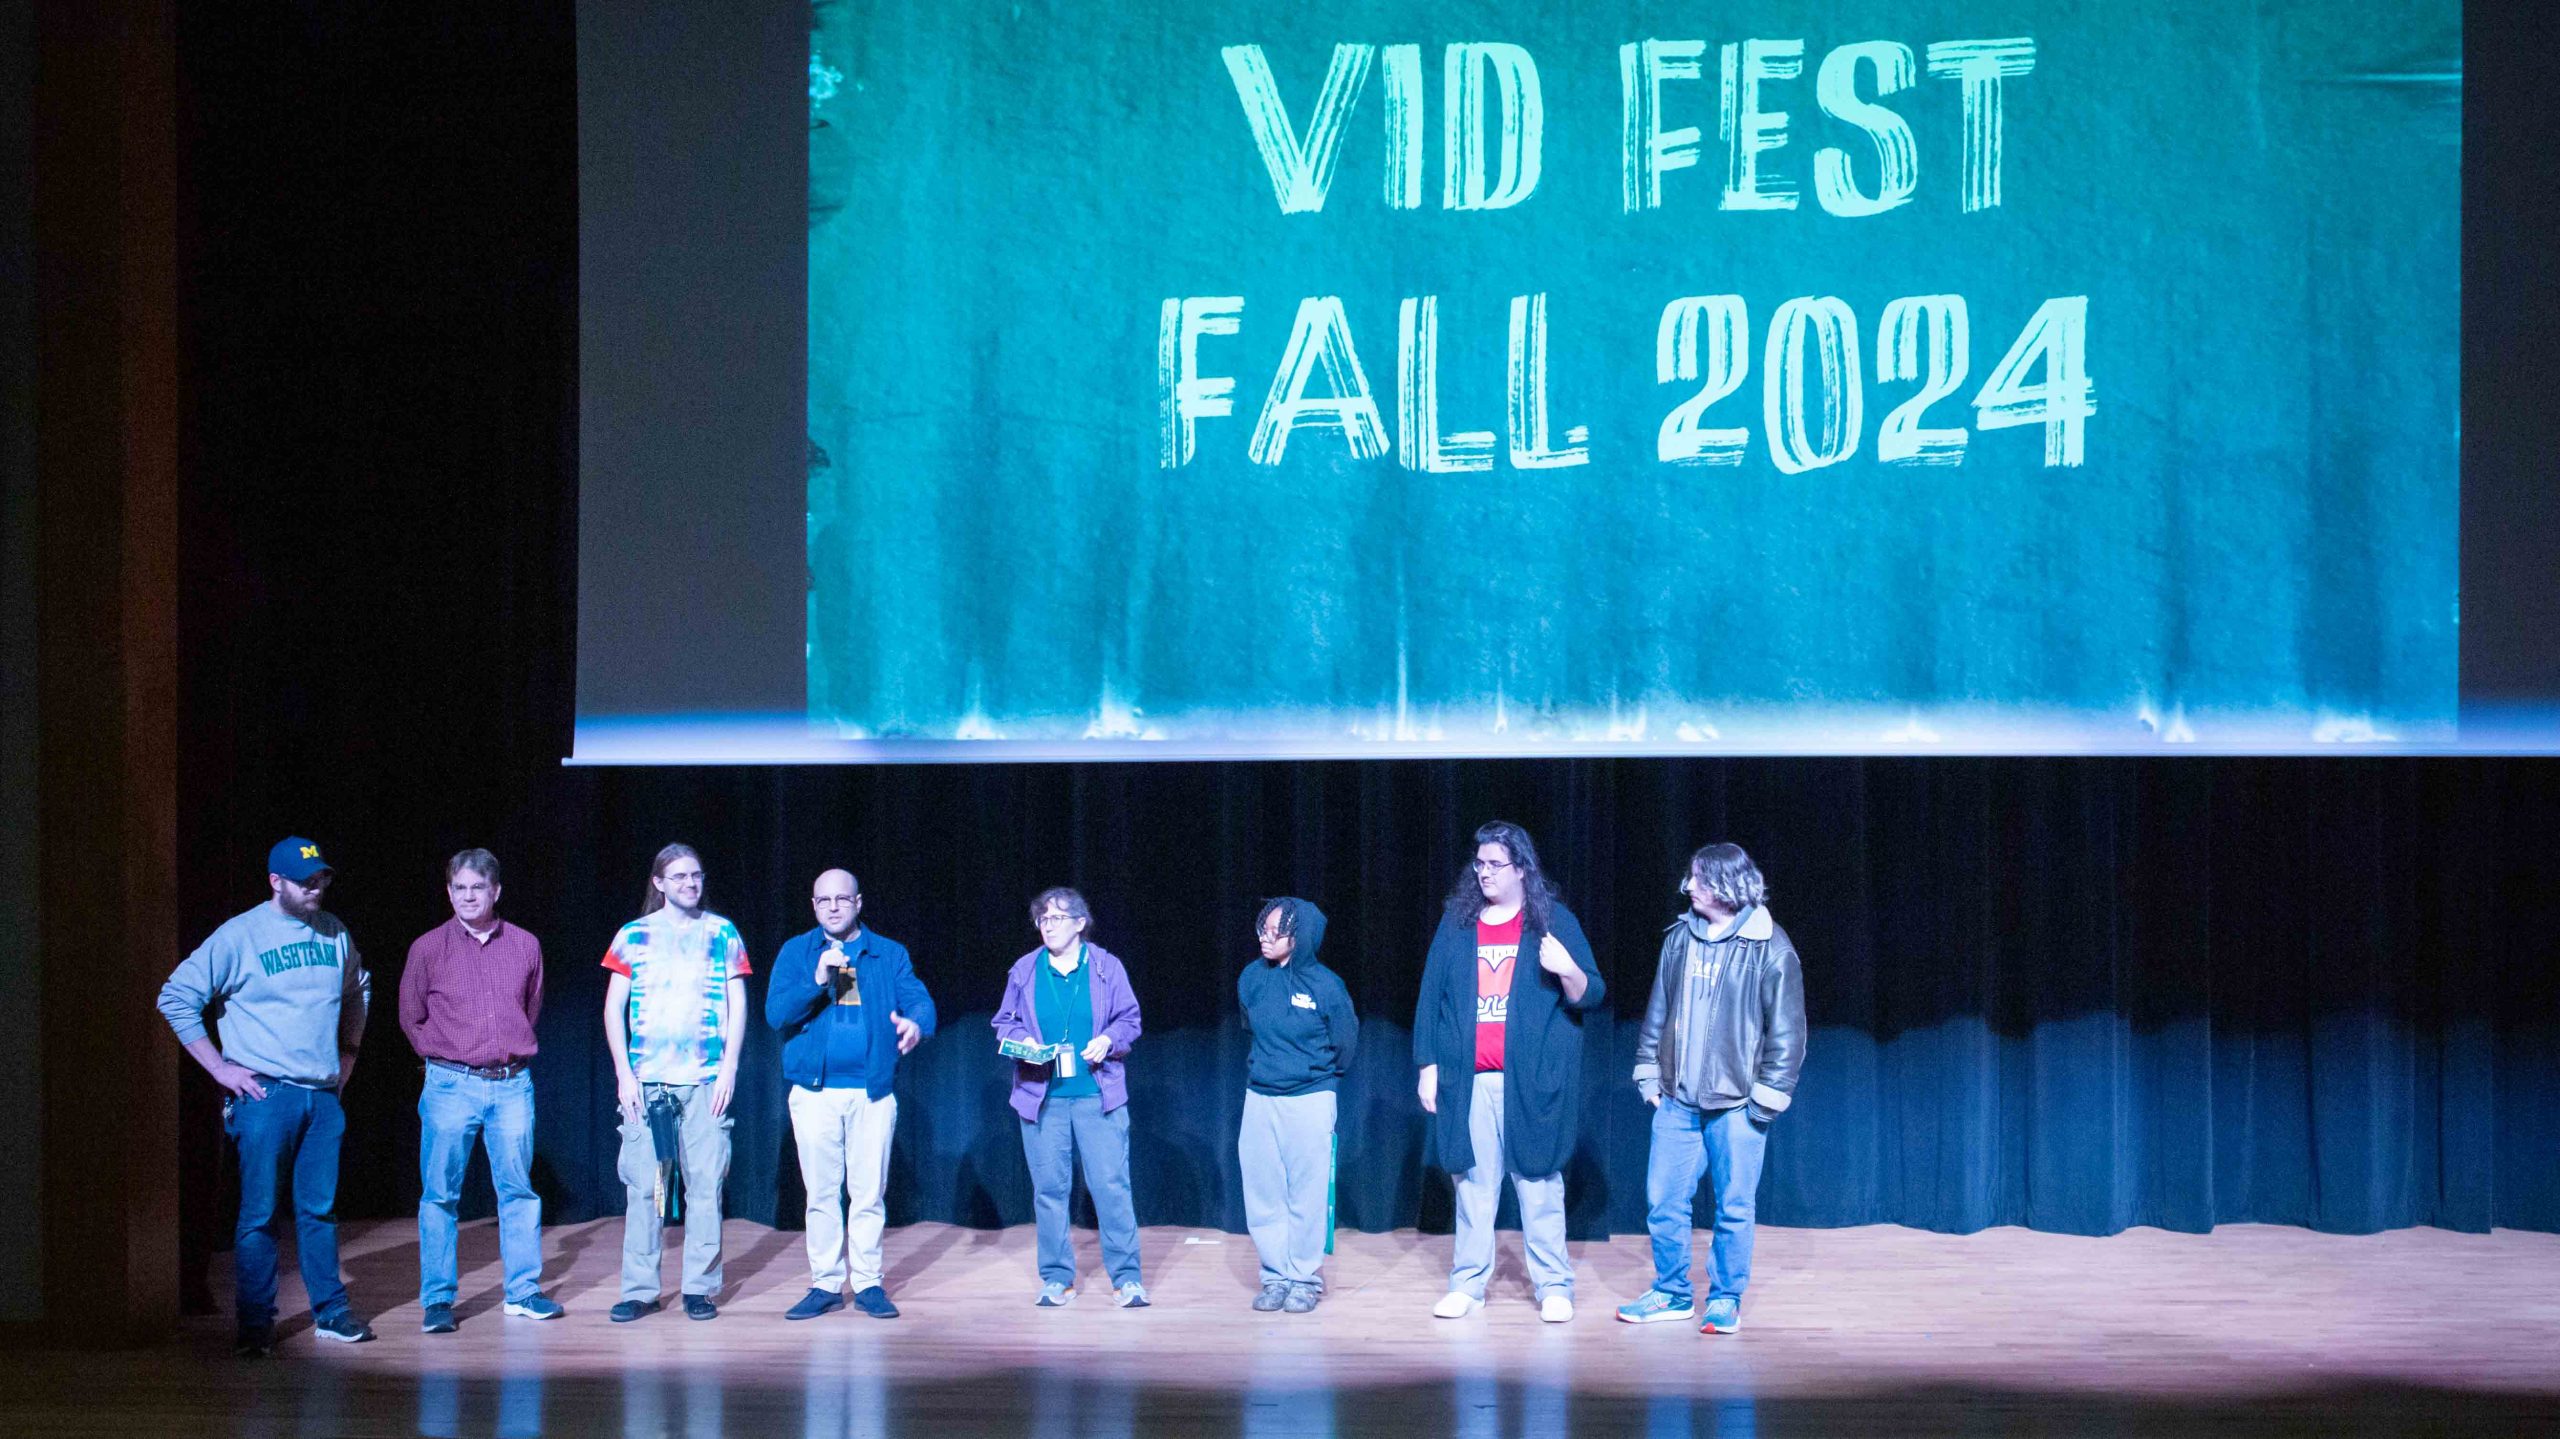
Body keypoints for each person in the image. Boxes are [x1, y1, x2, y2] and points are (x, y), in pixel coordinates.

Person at [156, 837, 375, 1355]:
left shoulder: (334, 932)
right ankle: (255, 1326)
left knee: (319, 1211)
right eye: (305, 881)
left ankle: (331, 1313)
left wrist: (347, 1054)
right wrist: (218, 1067)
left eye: (321, 878)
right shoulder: (240, 935)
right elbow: (176, 996)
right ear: (275, 882)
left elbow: (358, 989)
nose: (316, 887)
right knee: (259, 1213)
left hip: (321, 1095)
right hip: (264, 1094)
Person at [1412, 820, 1606, 1323]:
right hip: (1468, 1078)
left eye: (1496, 864)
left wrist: (1566, 967)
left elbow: (1592, 995)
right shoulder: (1457, 925)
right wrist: (1427, 1065)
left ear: (1521, 868)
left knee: (1539, 1182)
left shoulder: (1552, 921)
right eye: (1478, 864)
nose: (1484, 873)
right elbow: (1431, 996)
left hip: (1529, 1080)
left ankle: (1553, 1285)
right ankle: (1468, 1284)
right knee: (1473, 1183)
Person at [1618, 843, 1806, 1334]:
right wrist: (1646, 1069)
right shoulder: (1681, 938)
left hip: (1737, 1105)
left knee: (1734, 1206)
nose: (1688, 887)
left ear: (1727, 885)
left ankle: (1725, 1299)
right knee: (1663, 1201)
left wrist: (1766, 1099)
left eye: (1699, 880)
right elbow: (1657, 1008)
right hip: (1678, 1100)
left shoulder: (1771, 946)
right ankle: (1673, 1292)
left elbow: (1787, 1034)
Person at [399, 847, 561, 1332]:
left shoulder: (525, 945)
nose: (468, 896)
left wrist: (504, 1051)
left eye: (477, 888)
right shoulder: (428, 947)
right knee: (440, 1195)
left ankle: (523, 1291)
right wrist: (445, 1056)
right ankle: (438, 1300)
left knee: (517, 1191)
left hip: (511, 1085)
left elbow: (530, 1009)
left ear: (496, 892)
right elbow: (411, 1016)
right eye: (459, 888)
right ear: (449, 892)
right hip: (451, 1084)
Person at [765, 868, 937, 1320]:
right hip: (815, 1094)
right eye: (824, 900)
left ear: (859, 902)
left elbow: (920, 1000)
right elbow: (776, 1013)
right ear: (814, 906)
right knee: (821, 1193)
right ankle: (824, 1283)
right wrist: (817, 979)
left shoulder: (886, 954)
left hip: (871, 1093)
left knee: (867, 1193)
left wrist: (917, 1022)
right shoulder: (797, 952)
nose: (834, 907)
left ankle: (867, 1283)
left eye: (842, 899)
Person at [602, 843, 752, 1322]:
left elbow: (738, 1002)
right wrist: (625, 1073)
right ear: (660, 882)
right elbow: (613, 1008)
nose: (691, 883)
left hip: (705, 1081)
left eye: (697, 875)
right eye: (681, 876)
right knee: (649, 1188)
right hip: (649, 1085)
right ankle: (641, 1289)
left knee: (705, 1185)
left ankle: (699, 1288)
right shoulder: (634, 935)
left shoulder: (721, 932)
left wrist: (729, 1066)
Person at [993, 887, 1148, 1308]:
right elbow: (1004, 1023)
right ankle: (1057, 1277)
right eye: (1042, 919)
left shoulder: (1105, 968)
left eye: (1058, 918)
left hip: (1097, 1094)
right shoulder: (1025, 970)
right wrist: (1024, 1042)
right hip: (1042, 1098)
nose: (1048, 926)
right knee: (1049, 1189)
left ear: (1080, 923)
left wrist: (1109, 1040)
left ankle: (1127, 1277)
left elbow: (1129, 1020)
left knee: (1111, 1187)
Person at [1236, 897, 1358, 1313]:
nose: (1266, 938)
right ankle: (1275, 1276)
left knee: (1305, 1193)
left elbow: (1345, 1042)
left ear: (1300, 935)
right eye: (1262, 930)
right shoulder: (1252, 978)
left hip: (1310, 1096)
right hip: (1261, 1096)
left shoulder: (1326, 985)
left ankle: (1304, 1278)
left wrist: (1319, 1080)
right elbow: (1250, 1027)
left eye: (1277, 931)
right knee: (1263, 1192)